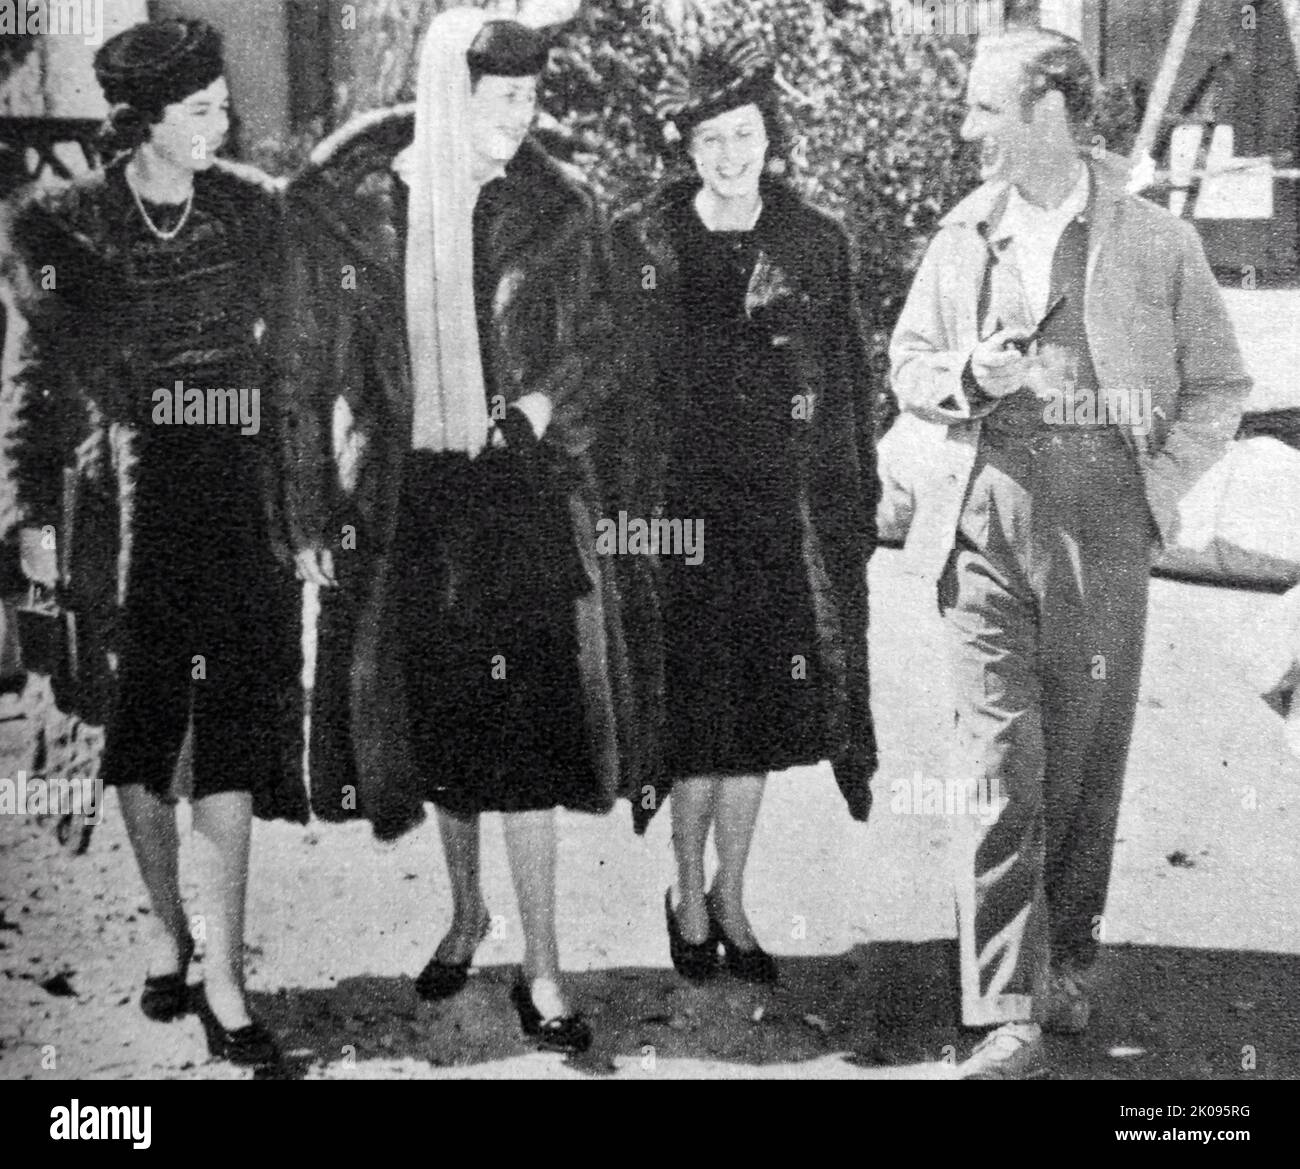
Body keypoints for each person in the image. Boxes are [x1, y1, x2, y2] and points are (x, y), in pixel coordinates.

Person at [890, 28, 1250, 1078]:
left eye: (981, 110)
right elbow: (908, 362)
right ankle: (1005, 1004)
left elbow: (1218, 383)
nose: (966, 132)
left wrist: (1160, 484)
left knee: (1084, 760)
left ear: (1047, 113)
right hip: (986, 511)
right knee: (999, 762)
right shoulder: (963, 234)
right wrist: (967, 372)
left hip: (1103, 514)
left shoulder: (1152, 241)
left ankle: (1066, 950)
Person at [282, 8, 627, 1054]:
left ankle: (544, 962)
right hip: (407, 507)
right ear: (448, 94)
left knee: (528, 739)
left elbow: (606, 347)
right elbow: (307, 374)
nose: (521, 119)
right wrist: (309, 508)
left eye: (531, 99)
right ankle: (467, 914)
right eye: (501, 99)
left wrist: (537, 404)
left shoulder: (557, 210)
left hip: (516, 497)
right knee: (443, 733)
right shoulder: (361, 217)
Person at [5, 18, 308, 1067]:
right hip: (120, 514)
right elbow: (34, 388)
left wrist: (303, 499)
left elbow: (294, 367)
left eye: (223, 106)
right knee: (138, 736)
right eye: (199, 112)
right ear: (143, 122)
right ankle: (171, 930)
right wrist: (29, 516)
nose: (220, 126)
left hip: (229, 497)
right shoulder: (69, 228)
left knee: (226, 731)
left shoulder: (252, 213)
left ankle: (225, 974)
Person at [607, 37, 877, 985]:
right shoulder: (640, 240)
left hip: (775, 507)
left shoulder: (811, 241)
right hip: (674, 511)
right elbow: (609, 385)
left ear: (772, 138)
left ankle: (734, 892)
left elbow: (848, 381)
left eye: (746, 134)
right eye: (711, 138)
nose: (730, 154)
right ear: (685, 147)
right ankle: (686, 891)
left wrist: (853, 500)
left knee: (758, 711)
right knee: (692, 714)